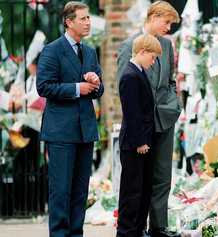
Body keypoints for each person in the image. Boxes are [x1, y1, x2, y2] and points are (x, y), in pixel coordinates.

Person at [36, 2, 104, 237]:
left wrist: (95, 83)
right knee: (61, 190)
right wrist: (78, 88)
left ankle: (76, 234)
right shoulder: (52, 50)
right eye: (83, 18)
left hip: (85, 129)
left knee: (80, 191)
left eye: (88, 18)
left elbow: (98, 90)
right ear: (69, 21)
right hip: (61, 131)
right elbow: (43, 86)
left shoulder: (90, 51)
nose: (88, 22)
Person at [117, 1, 181, 237]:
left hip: (165, 117)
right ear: (154, 17)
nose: (168, 28)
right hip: (143, 122)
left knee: (162, 174)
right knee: (139, 178)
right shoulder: (130, 46)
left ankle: (158, 226)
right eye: (166, 22)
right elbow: (125, 87)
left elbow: (171, 80)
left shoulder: (167, 45)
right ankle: (137, 228)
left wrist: (174, 105)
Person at [117, 33, 162, 237]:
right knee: (132, 191)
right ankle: (126, 232)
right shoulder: (129, 76)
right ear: (142, 52)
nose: (153, 62)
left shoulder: (138, 72)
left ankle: (136, 230)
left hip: (143, 141)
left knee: (143, 190)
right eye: (152, 57)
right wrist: (140, 141)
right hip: (135, 143)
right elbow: (132, 112)